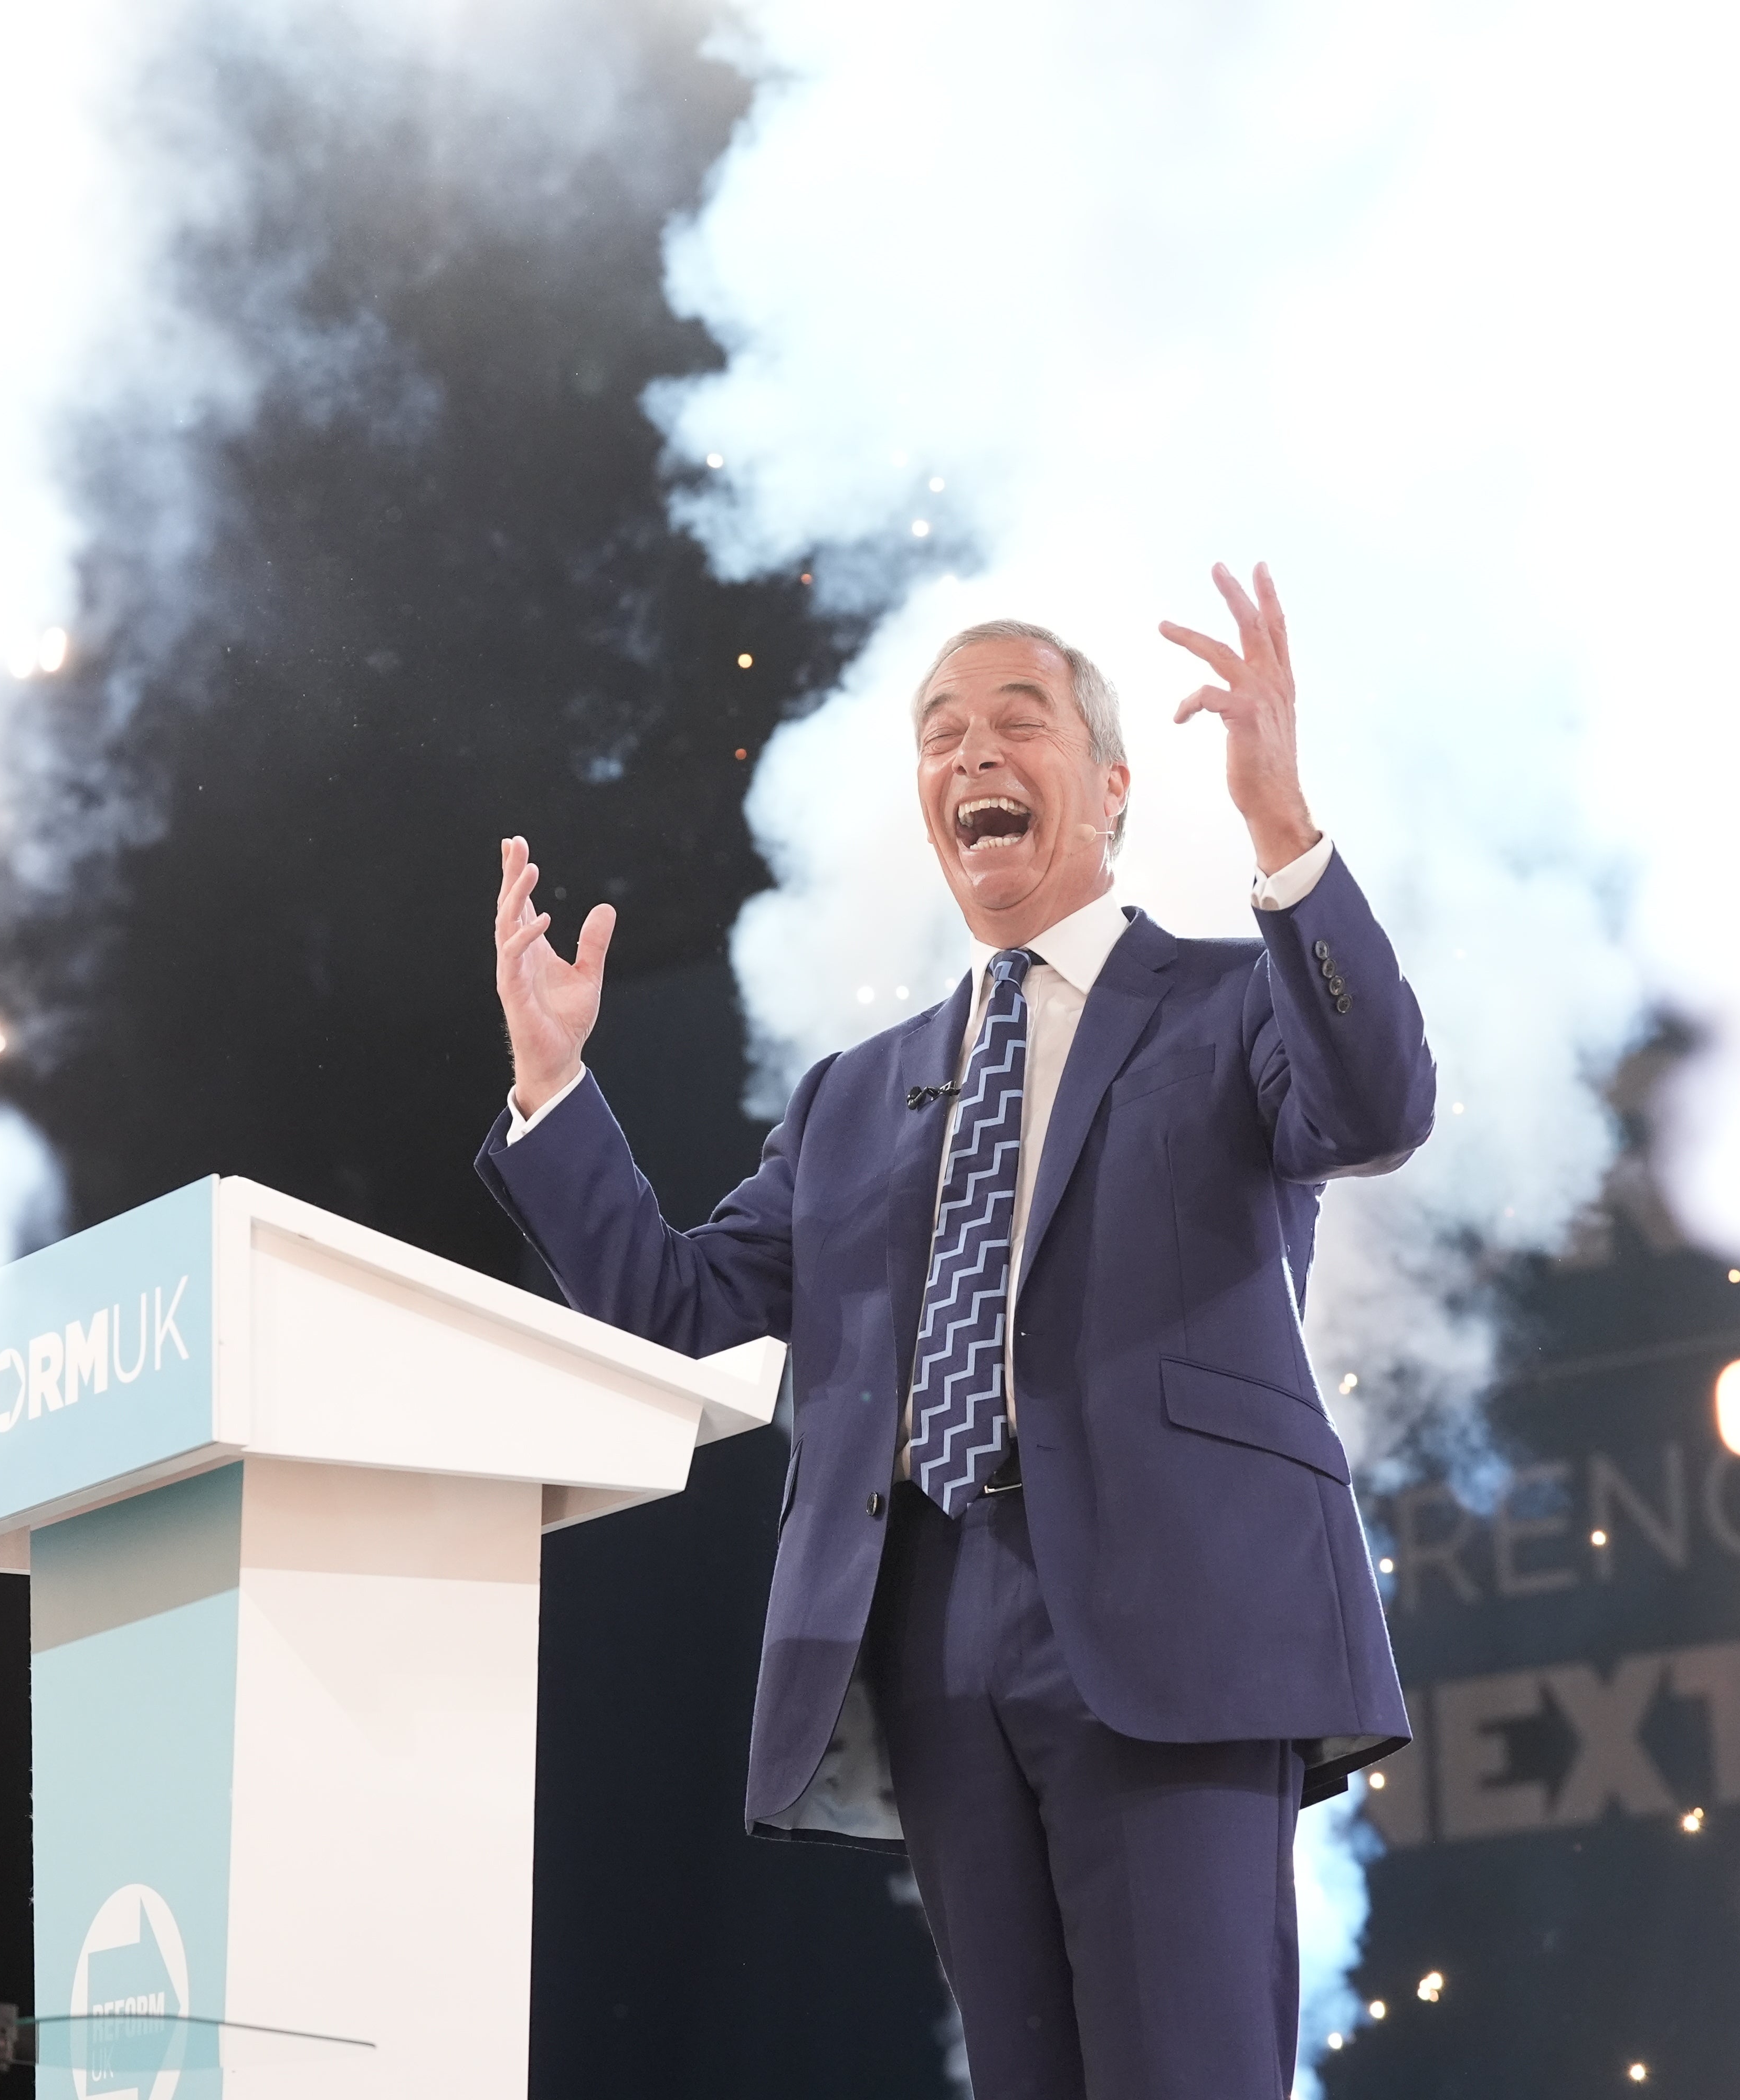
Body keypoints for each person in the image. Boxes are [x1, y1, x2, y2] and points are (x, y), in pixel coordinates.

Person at [477, 561, 1436, 2100]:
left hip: (1171, 1613)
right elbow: (676, 1304)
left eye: (1017, 721)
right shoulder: (856, 1094)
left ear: (1112, 786)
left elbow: (1380, 1103)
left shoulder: (1227, 1003)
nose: (973, 755)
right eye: (940, 733)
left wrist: (1283, 827)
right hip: (929, 1626)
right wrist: (553, 1089)